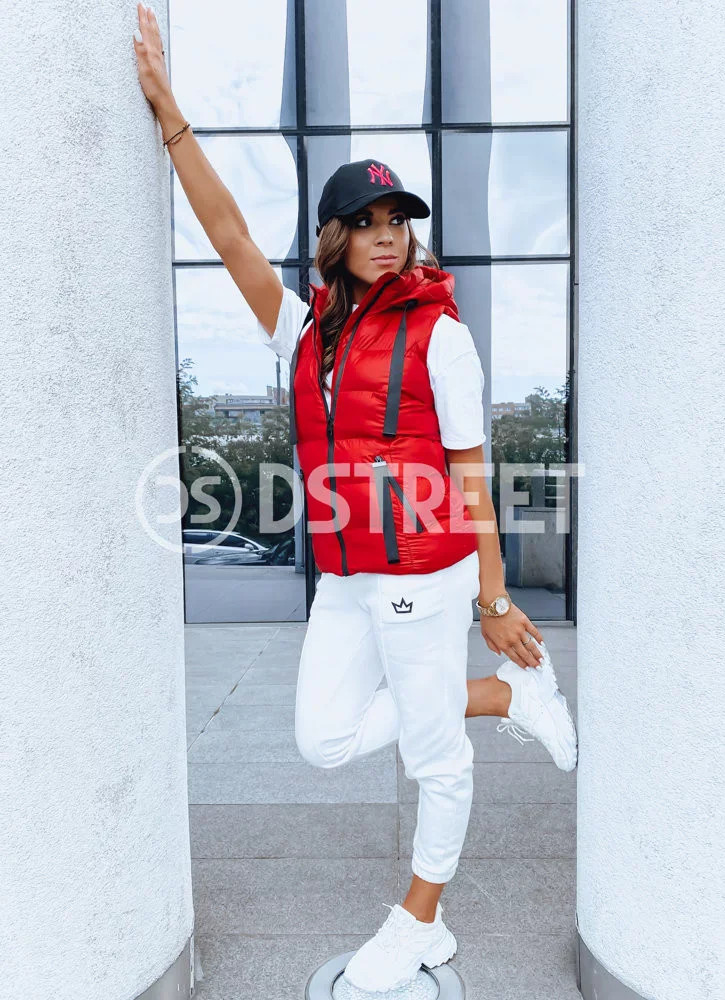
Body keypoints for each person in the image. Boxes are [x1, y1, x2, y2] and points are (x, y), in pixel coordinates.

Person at [133, 5, 578, 993]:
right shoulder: (304, 331)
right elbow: (228, 235)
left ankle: (419, 920)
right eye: (368, 224)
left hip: (425, 572)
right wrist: (171, 116)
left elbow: (473, 472)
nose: (387, 237)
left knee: (435, 757)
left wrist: (493, 599)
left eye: (398, 222)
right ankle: (505, 697)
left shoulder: (441, 335)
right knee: (323, 737)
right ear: (336, 238)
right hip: (346, 576)